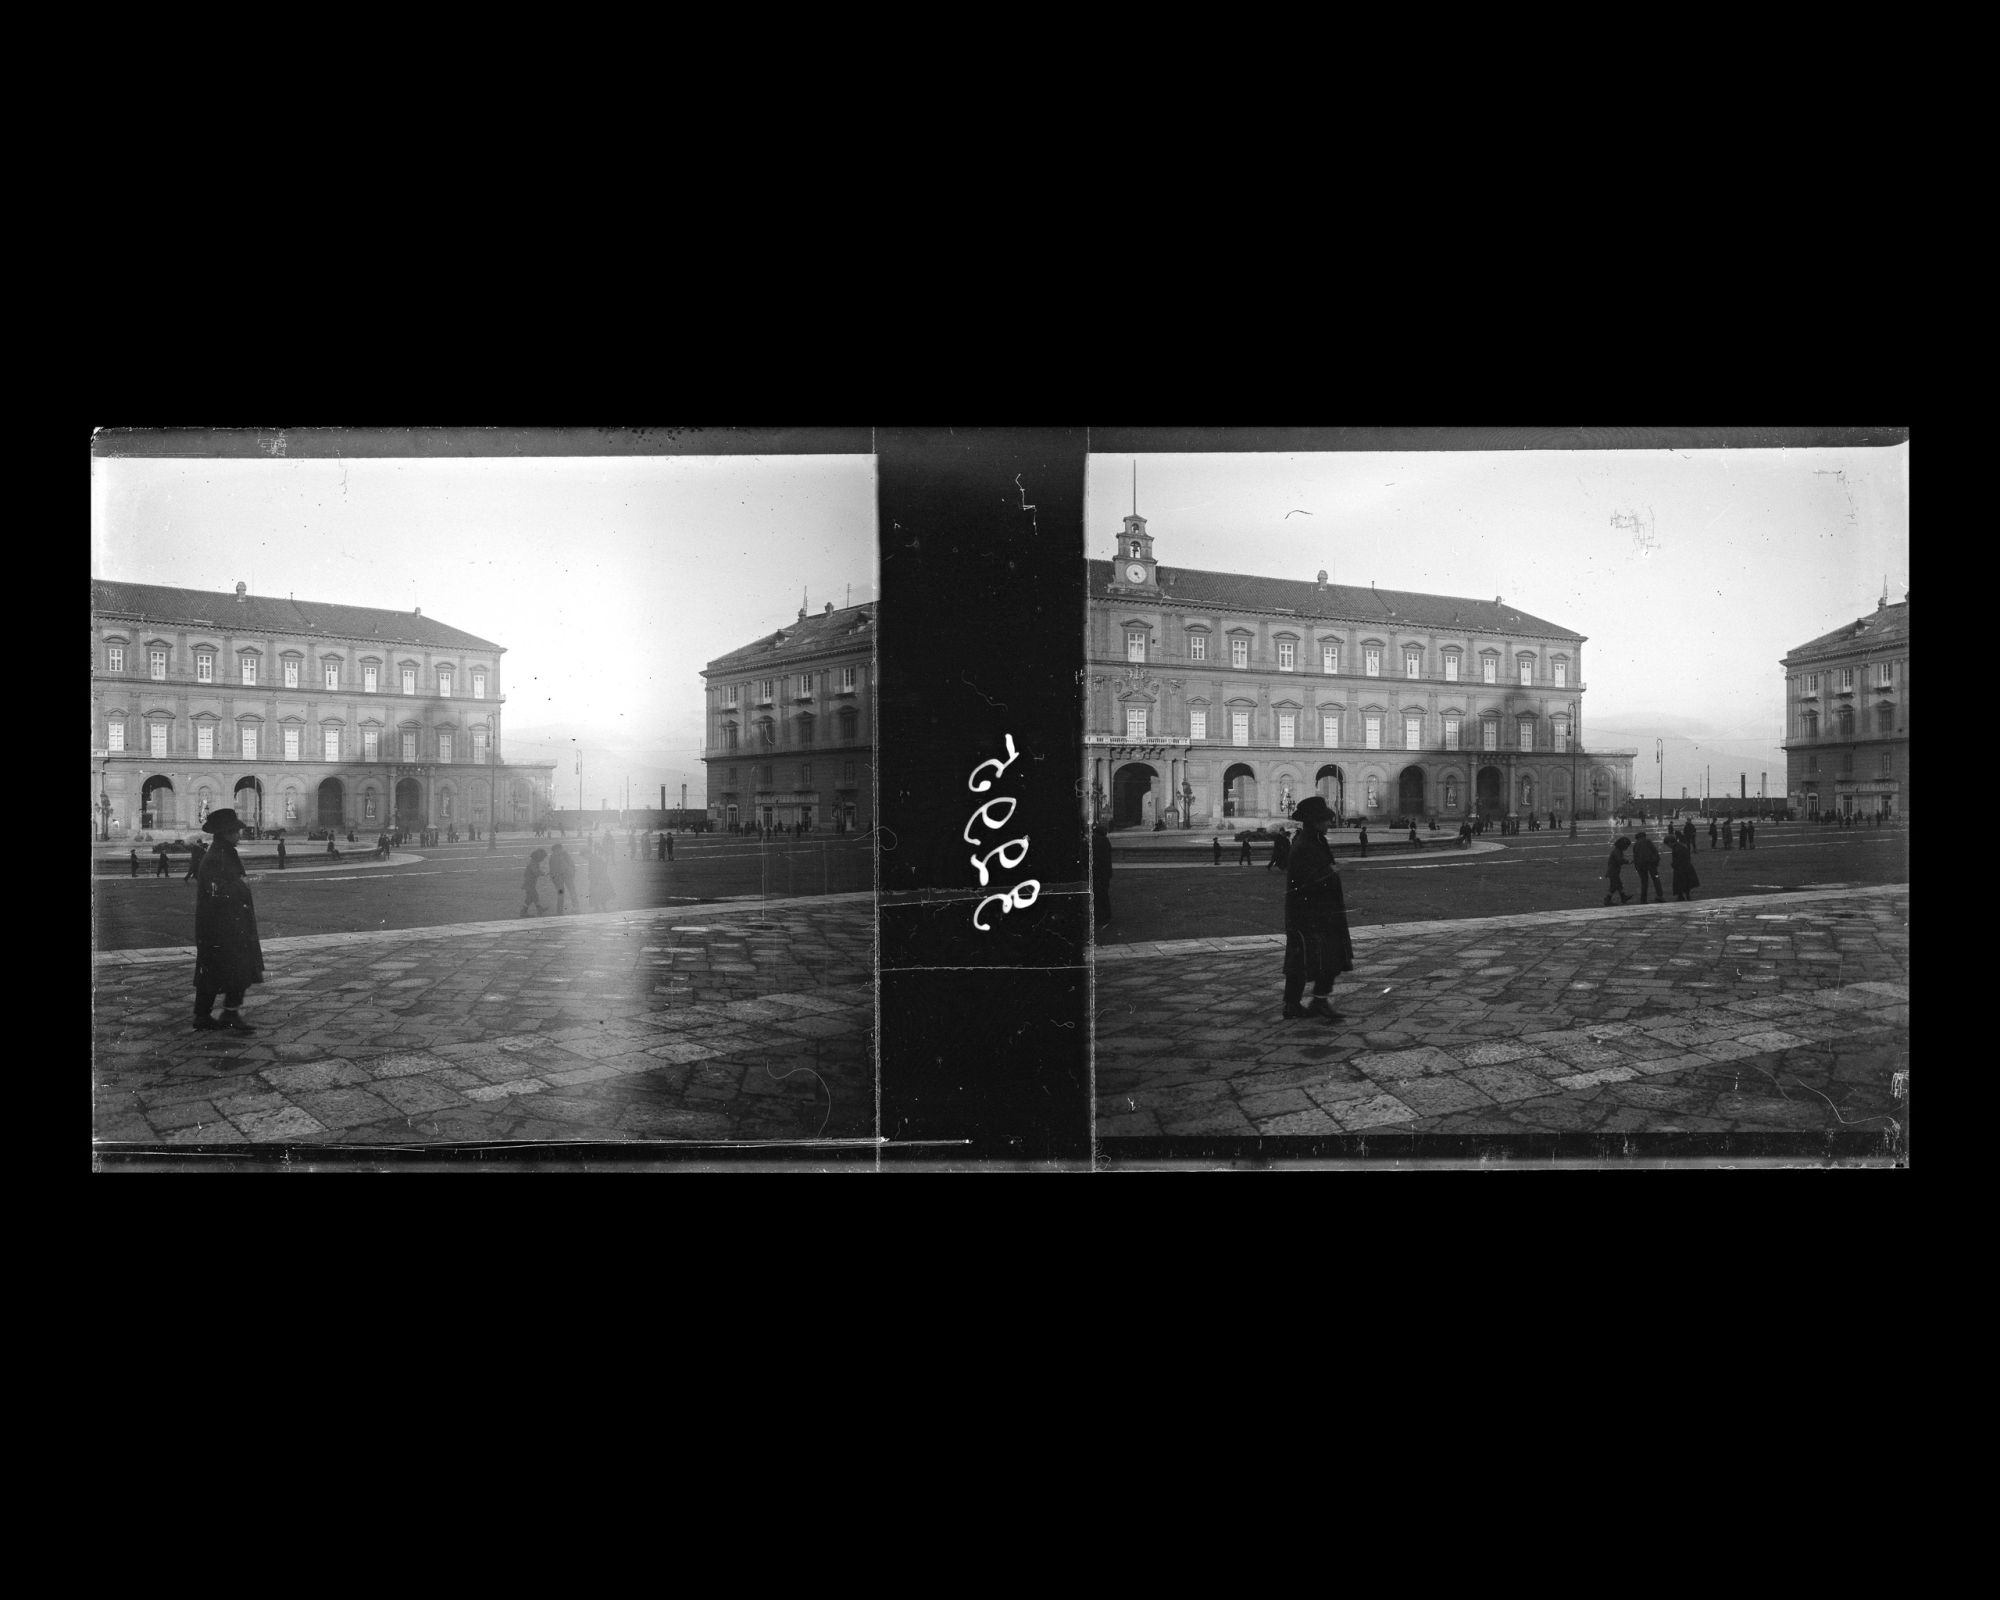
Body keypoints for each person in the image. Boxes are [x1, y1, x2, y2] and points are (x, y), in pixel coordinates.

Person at [1281, 795, 1355, 1023]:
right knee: (1316, 958)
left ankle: (1300, 1003)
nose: (1329, 823)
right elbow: (1308, 880)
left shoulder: (1313, 840)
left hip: (1313, 912)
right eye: (1325, 819)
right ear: (1314, 821)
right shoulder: (1306, 845)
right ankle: (1312, 1002)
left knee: (1303, 959)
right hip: (1311, 914)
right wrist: (1333, 870)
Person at [192, 808, 264, 1033]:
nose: (239, 834)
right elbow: (215, 890)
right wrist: (242, 885)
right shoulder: (216, 856)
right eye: (235, 830)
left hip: (226, 923)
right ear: (225, 833)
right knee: (221, 969)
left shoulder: (223, 852)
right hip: (221, 925)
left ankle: (216, 1014)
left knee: (223, 969)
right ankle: (216, 1015)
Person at [1631, 830, 1663, 904]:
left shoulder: (1636, 844)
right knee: (1656, 879)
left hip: (1641, 865)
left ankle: (1643, 899)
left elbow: (1635, 856)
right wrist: (1656, 862)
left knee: (1644, 882)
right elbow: (1655, 852)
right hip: (1651, 864)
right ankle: (1660, 896)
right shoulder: (1648, 842)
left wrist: (1636, 867)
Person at [1091, 820, 1112, 926]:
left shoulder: (1095, 840)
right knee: (1103, 894)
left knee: (1098, 895)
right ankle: (1106, 916)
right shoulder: (1105, 840)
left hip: (1098, 873)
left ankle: (1100, 917)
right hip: (1105, 873)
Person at [1669, 832, 1699, 902]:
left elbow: (1678, 859)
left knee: (1679, 883)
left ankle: (1681, 896)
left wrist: (1674, 865)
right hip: (1686, 867)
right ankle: (1686, 896)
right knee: (1686, 883)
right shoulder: (1680, 847)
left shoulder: (1676, 848)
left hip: (1680, 868)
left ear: (1670, 842)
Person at [1603, 835, 1633, 906]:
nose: (1626, 848)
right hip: (1613, 871)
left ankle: (1623, 897)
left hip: (1614, 871)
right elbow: (1619, 860)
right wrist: (1628, 861)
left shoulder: (1618, 850)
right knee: (1614, 886)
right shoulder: (1617, 851)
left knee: (1619, 885)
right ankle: (1607, 899)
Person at [520, 848, 549, 916]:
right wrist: (543, 873)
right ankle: (537, 909)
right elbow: (535, 872)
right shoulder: (533, 863)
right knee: (534, 896)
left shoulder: (533, 862)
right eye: (542, 857)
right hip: (529, 883)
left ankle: (526, 911)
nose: (543, 859)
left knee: (530, 898)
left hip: (530, 883)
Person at [549, 843, 575, 913]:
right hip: (560, 878)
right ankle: (560, 910)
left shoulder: (564, 855)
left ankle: (575, 907)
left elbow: (571, 864)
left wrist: (572, 873)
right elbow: (552, 869)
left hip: (567, 877)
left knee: (571, 892)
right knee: (562, 893)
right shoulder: (553, 857)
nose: (556, 852)